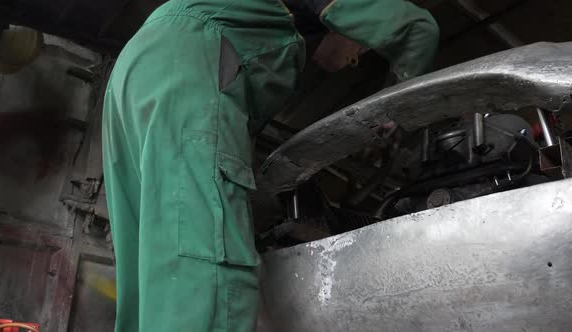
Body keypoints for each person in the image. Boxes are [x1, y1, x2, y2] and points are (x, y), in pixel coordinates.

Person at [101, 0, 439, 330]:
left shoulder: (255, 23)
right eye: (361, 51)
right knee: (205, 268)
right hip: (192, 60)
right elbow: (417, 30)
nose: (353, 61)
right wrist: (391, 120)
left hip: (136, 70)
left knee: (150, 267)